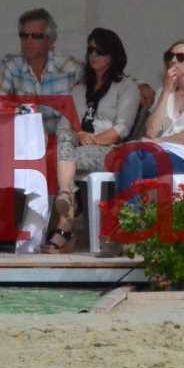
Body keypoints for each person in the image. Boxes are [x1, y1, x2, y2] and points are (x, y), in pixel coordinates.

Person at [42, 28, 141, 252]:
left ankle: (66, 221)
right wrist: (81, 135)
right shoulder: (80, 89)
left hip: (110, 150)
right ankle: (66, 199)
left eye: (100, 51)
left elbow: (121, 129)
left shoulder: (127, 87)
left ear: (114, 55)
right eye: (90, 50)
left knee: (61, 158)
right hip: (77, 148)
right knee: (65, 139)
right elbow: (64, 127)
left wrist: (94, 139)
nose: (93, 55)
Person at [115, 39, 184, 202]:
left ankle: (130, 220)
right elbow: (151, 132)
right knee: (128, 157)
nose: (173, 60)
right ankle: (132, 218)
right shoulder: (165, 92)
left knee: (129, 161)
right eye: (170, 56)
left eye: (180, 57)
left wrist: (160, 141)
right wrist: (166, 91)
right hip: (158, 152)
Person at [0, 7, 82, 137]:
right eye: (24, 36)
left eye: (36, 36)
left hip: (62, 145)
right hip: (24, 143)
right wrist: (24, 111)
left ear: (51, 40)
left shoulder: (70, 68)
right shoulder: (11, 66)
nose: (28, 41)